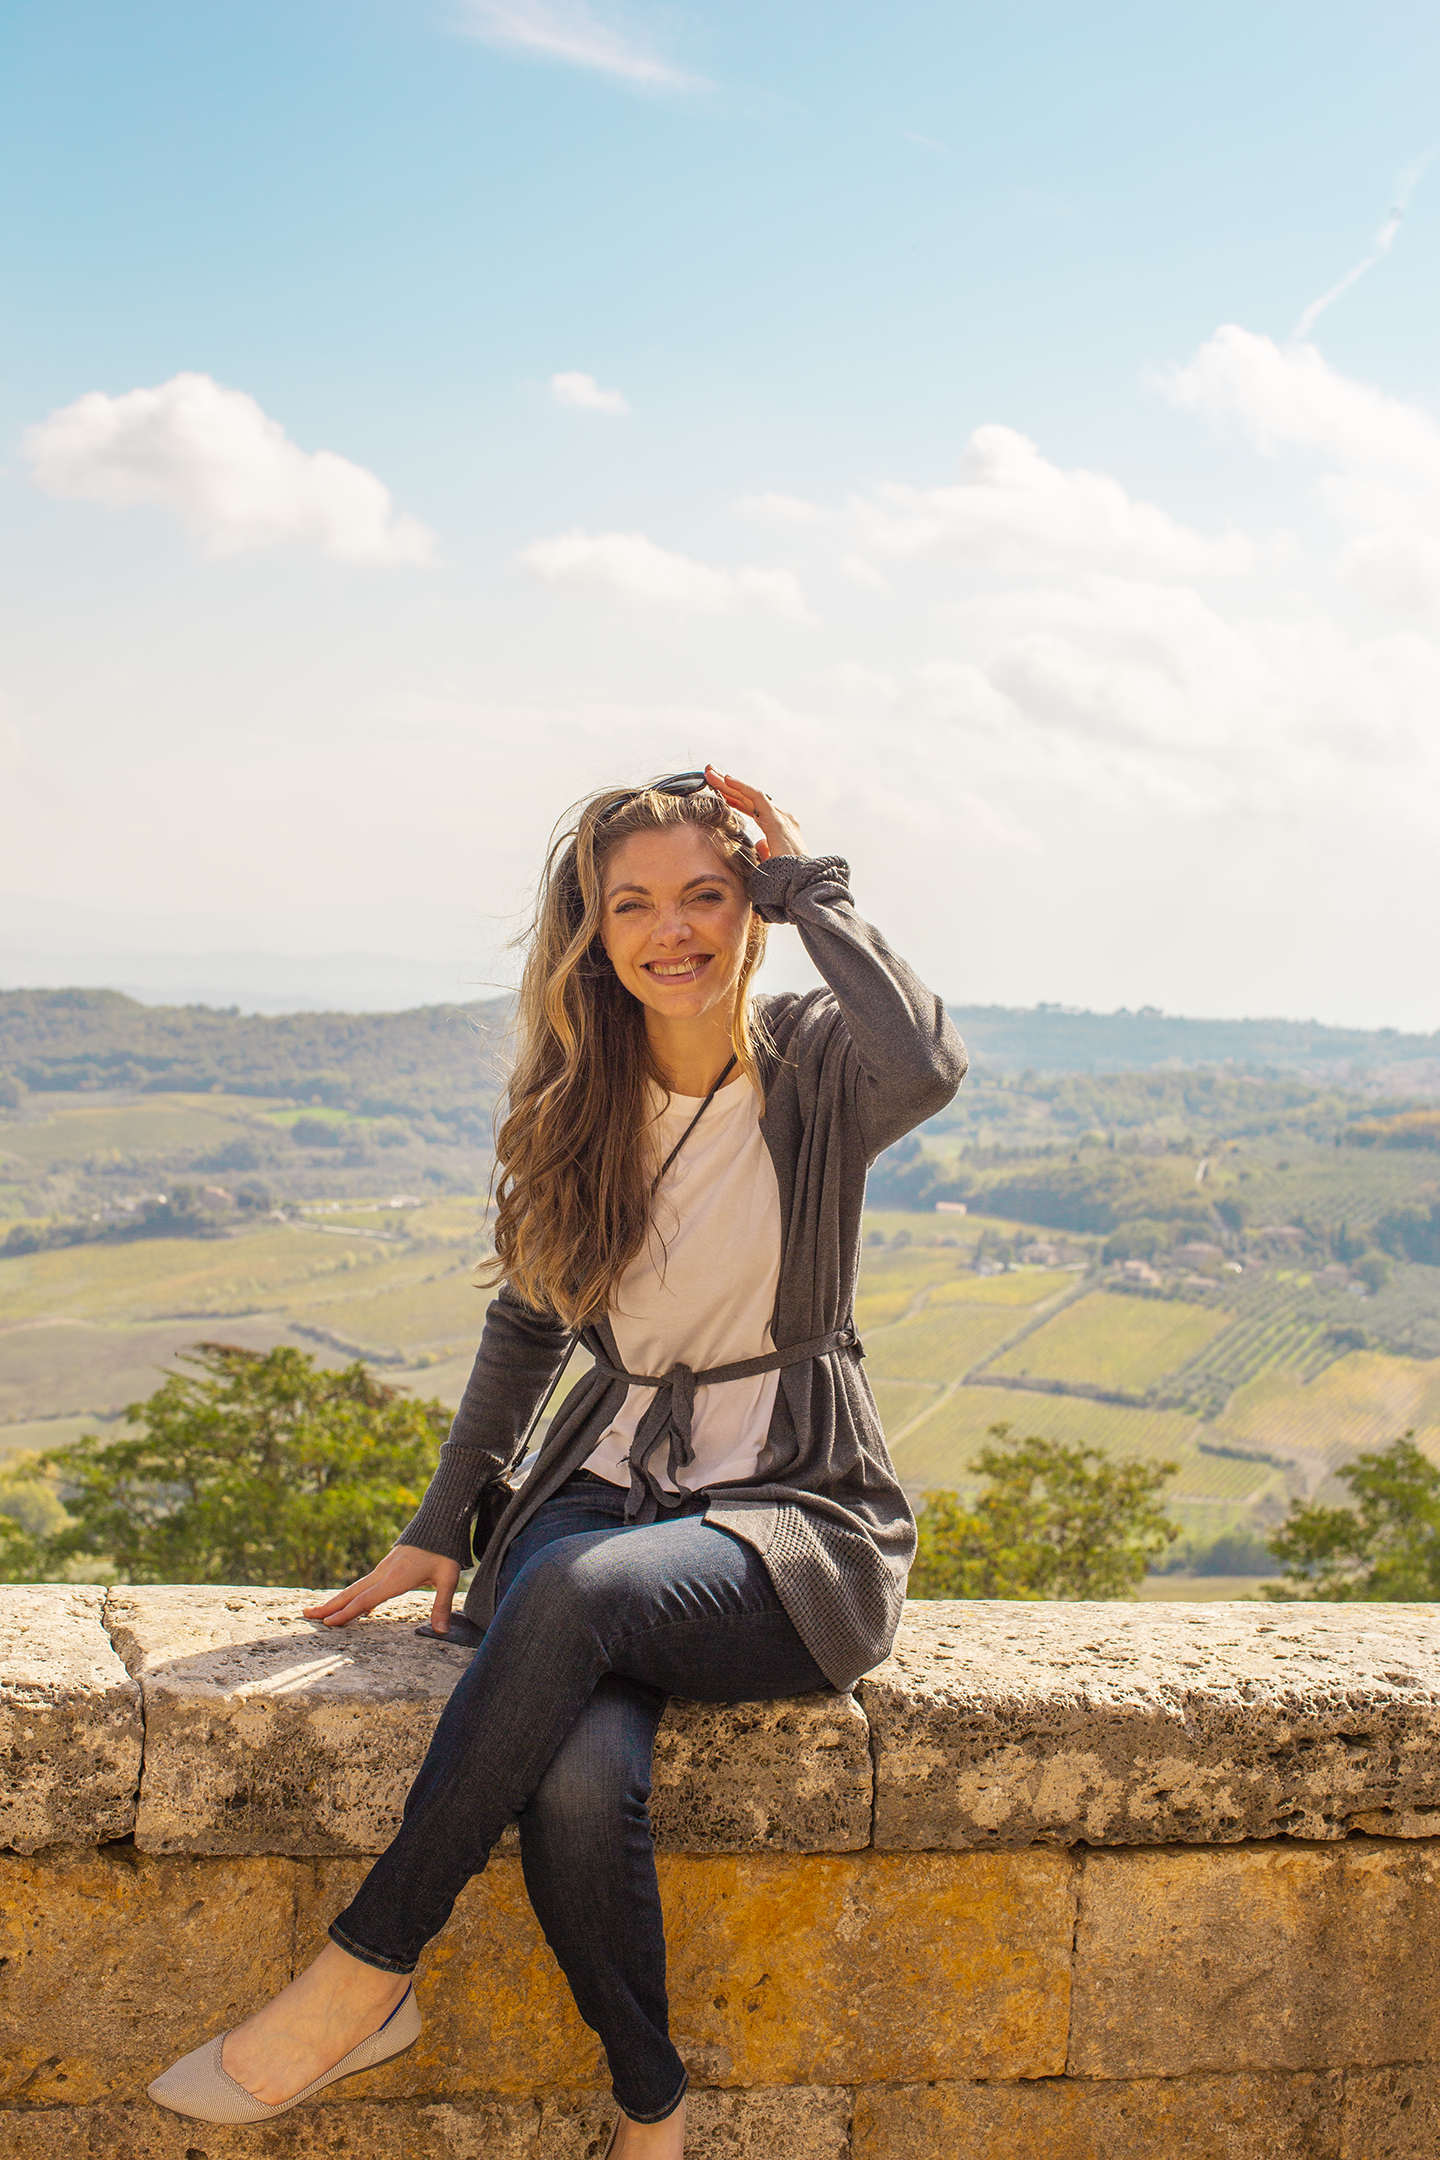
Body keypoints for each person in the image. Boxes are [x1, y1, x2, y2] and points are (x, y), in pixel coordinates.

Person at [147, 765, 965, 2154]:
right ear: (588, 930)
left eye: (707, 895)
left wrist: (807, 885)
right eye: (631, 903)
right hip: (606, 1489)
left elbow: (928, 1062)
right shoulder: (578, 1100)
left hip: (790, 1509)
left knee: (577, 1600)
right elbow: (526, 1326)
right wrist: (440, 1526)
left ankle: (367, 1967)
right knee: (582, 1778)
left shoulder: (816, 1059)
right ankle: (653, 2105)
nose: (674, 930)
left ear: (749, 906)